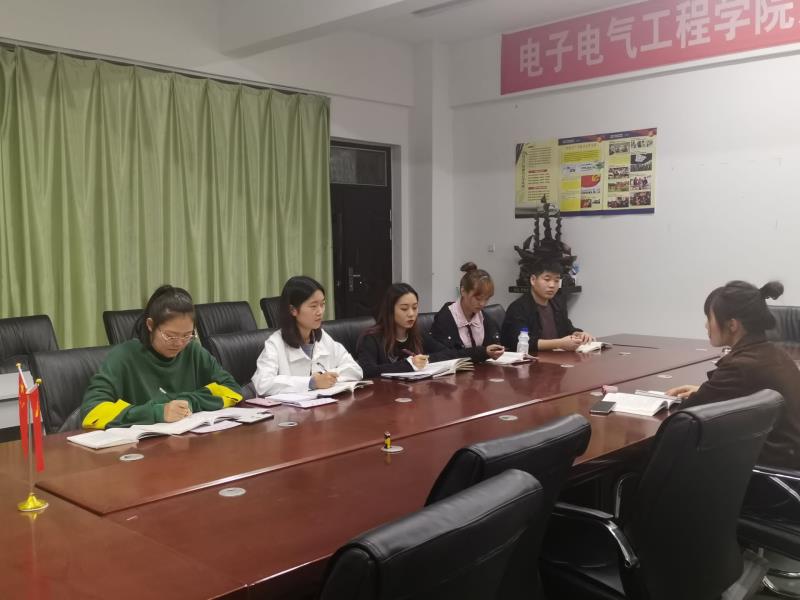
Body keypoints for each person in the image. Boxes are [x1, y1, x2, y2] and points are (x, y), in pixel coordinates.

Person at [667, 280, 800, 469]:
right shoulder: (776, 354)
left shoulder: (739, 367)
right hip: (789, 458)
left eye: (709, 318)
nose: (706, 325)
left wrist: (706, 393)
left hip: (766, 470)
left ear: (732, 325)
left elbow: (684, 418)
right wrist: (707, 391)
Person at [81, 285, 242, 429]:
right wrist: (157, 412)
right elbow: (92, 411)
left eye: (187, 335)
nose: (179, 343)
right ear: (150, 325)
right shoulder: (123, 356)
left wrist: (191, 401)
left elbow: (232, 390)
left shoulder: (193, 350)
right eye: (170, 336)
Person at [252, 276, 362, 395]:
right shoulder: (275, 343)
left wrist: (325, 377)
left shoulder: (323, 338)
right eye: (313, 306)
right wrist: (311, 382)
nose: (320, 311)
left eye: (322, 304)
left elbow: (355, 370)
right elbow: (263, 384)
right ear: (293, 310)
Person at [357, 282, 493, 379]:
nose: (411, 314)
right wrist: (410, 364)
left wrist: (483, 352)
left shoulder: (417, 335)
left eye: (415, 307)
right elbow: (367, 371)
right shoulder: (372, 338)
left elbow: (448, 353)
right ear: (390, 310)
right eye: (404, 309)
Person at [500, 259, 593, 351]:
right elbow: (520, 342)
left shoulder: (558, 304)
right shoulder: (518, 308)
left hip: (557, 357)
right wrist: (560, 344)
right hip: (531, 358)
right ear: (533, 280)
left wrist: (579, 334)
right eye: (547, 279)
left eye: (556, 281)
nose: (552, 285)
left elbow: (567, 328)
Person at [430, 262, 505, 360]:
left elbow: (494, 344)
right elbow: (444, 356)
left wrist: (496, 351)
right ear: (463, 291)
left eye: (486, 299)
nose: (482, 304)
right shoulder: (444, 319)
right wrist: (482, 353)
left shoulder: (486, 319)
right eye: (478, 298)